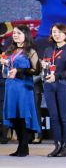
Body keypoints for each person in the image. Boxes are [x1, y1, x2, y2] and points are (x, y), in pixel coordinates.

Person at [1, 25, 40, 157]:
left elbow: (36, 70)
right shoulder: (10, 50)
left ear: (26, 35)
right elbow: (8, 66)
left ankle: (24, 146)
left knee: (22, 115)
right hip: (10, 86)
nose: (15, 35)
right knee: (14, 116)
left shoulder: (31, 51)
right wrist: (5, 65)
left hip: (23, 87)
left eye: (19, 33)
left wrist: (19, 70)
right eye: (14, 33)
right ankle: (21, 146)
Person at [41, 23, 66, 157]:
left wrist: (57, 76)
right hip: (49, 85)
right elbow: (44, 68)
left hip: (64, 85)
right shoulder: (48, 50)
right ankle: (58, 145)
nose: (56, 34)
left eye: (59, 32)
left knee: (65, 117)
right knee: (54, 117)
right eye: (54, 32)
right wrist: (43, 66)